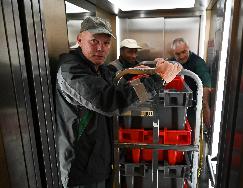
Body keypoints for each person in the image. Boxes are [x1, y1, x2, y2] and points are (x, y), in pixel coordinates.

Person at [55, 16, 181, 188]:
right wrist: (159, 79)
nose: (100, 48)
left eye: (106, 43)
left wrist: (143, 74)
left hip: (99, 159)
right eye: (94, 41)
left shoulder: (97, 68)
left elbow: (116, 85)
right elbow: (110, 101)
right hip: (81, 168)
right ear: (79, 40)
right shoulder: (72, 70)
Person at [169, 38, 212, 134]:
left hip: (192, 106)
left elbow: (205, 84)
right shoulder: (171, 62)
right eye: (177, 54)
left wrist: (205, 104)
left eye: (184, 52)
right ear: (173, 53)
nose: (181, 56)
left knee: (191, 132)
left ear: (188, 48)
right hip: (174, 104)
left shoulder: (198, 62)